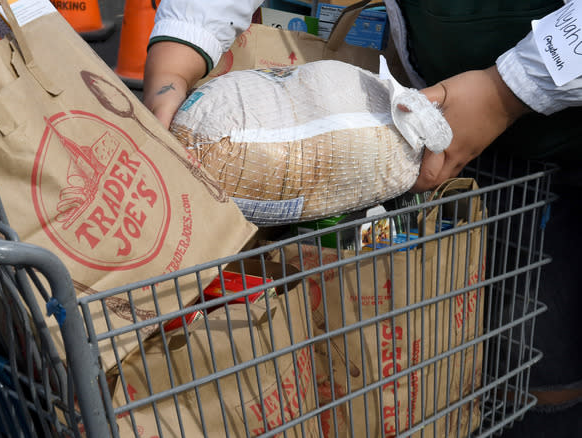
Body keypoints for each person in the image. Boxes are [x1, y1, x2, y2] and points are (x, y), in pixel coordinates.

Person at [141, 0, 582, 436]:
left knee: (532, 362)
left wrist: (508, 90)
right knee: (463, 340)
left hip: (556, 131)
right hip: (436, 108)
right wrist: (182, 46)